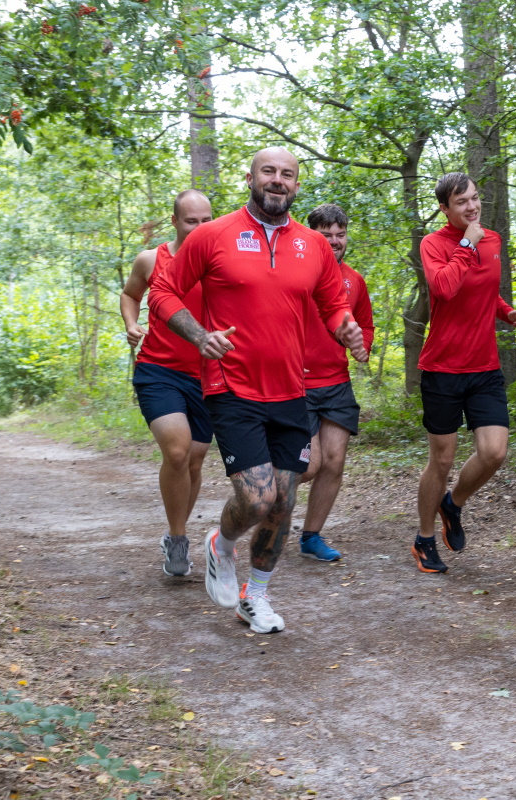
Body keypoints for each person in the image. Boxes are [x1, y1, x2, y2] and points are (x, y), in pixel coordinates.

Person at [149, 147, 367, 634]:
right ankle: (220, 545)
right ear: (250, 177)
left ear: (296, 185)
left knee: (284, 502)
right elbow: (162, 291)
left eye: (287, 174)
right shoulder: (212, 236)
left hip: (293, 389)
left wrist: (346, 328)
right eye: (268, 171)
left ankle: (257, 596)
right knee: (256, 498)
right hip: (233, 386)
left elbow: (334, 304)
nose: (277, 180)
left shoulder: (312, 245)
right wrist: (199, 336)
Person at [411, 173, 516, 574]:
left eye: (475, 198)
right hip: (442, 368)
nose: (472, 207)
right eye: (462, 202)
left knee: (494, 452)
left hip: (484, 367)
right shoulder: (435, 244)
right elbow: (444, 288)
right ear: (445, 208)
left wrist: (505, 312)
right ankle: (425, 538)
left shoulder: (491, 240)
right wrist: (466, 244)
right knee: (441, 461)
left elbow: (483, 290)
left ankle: (452, 503)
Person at [119, 189, 215, 577]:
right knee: (176, 452)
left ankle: (176, 530)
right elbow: (130, 295)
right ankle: (178, 539)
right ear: (175, 221)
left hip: (207, 374)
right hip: (158, 370)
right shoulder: (151, 259)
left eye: (207, 220)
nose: (200, 228)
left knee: (194, 460)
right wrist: (131, 323)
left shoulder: (220, 263)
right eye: (192, 220)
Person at [297, 203, 375, 562]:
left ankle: (311, 536)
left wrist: (363, 347)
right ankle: (260, 498)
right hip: (295, 381)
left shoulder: (354, 281)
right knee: (308, 465)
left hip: (336, 381)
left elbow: (365, 323)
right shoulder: (294, 273)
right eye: (325, 235)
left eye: (340, 235)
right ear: (311, 235)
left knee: (334, 461)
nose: (334, 241)